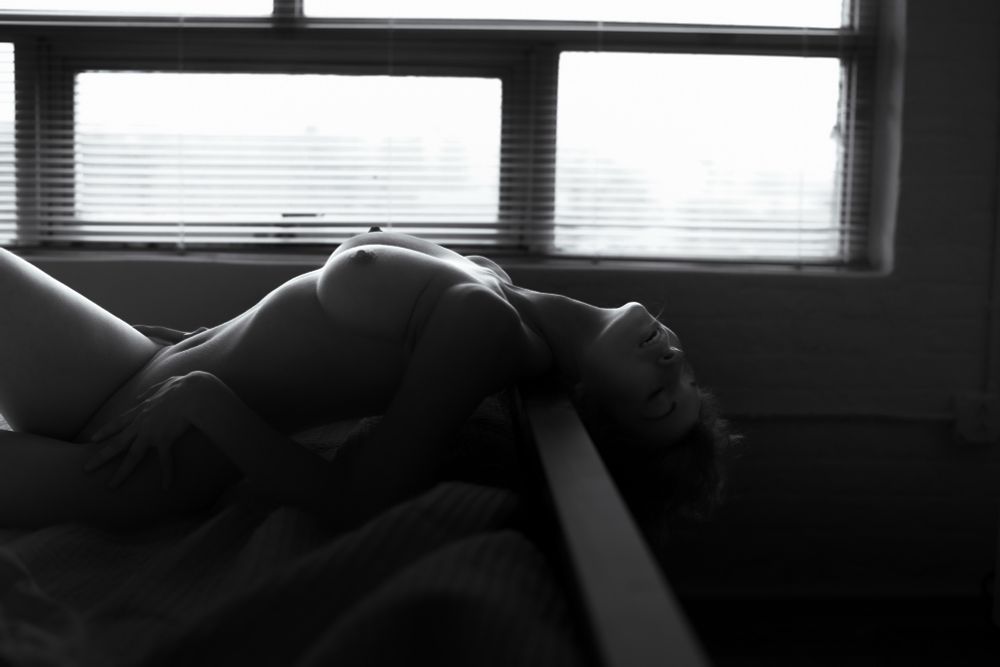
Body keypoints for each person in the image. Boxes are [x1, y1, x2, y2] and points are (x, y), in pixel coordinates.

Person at [0, 229, 732, 530]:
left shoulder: (490, 333)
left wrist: (205, 399)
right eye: (688, 375)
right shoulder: (498, 287)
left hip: (150, 455)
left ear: (591, 407)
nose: (671, 363)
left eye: (659, 400)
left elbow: (359, 495)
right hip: (138, 368)